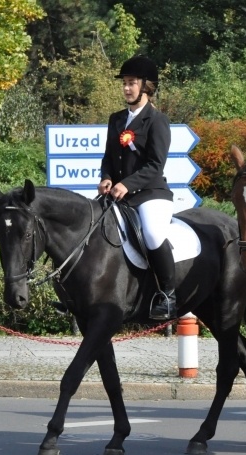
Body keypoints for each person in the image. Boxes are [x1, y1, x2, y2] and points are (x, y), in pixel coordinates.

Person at [98, 55, 177, 321]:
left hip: (151, 194)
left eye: (131, 83)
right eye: (124, 83)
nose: (126, 88)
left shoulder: (157, 120)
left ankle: (168, 295)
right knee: (91, 224)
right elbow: (108, 157)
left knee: (153, 234)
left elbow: (155, 165)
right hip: (119, 194)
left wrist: (127, 184)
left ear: (146, 86)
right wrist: (107, 177)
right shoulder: (116, 119)